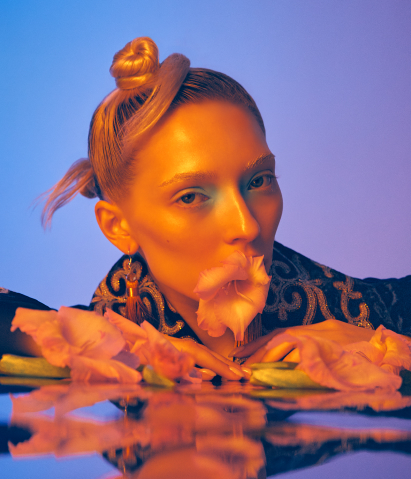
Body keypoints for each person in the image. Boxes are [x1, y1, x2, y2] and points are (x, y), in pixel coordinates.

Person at [3, 37, 410, 378]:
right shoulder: (94, 341)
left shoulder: (366, 314)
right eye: (191, 196)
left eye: (259, 181)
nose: (246, 226)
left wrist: (384, 344)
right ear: (118, 228)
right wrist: (116, 344)